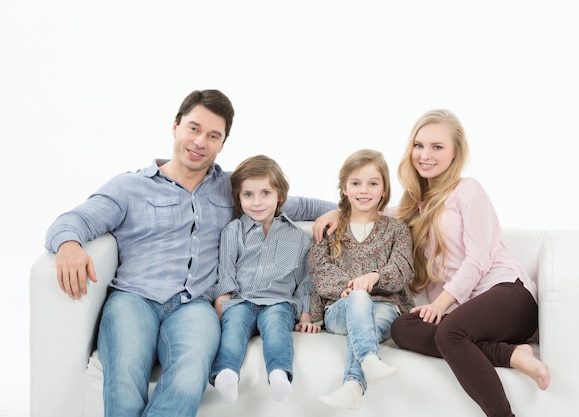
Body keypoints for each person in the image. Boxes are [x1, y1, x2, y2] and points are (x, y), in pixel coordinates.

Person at [44, 89, 336, 417]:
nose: (200, 142)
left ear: (222, 144)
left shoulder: (234, 189)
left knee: (190, 374)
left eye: (213, 136)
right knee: (124, 378)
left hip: (195, 305)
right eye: (194, 129)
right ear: (175, 126)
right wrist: (69, 244)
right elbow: (73, 220)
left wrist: (343, 212)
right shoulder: (131, 187)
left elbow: (296, 204)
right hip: (133, 298)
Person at [355, 109, 545, 417]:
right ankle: (509, 355)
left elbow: (479, 258)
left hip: (509, 295)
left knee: (449, 333)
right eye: (419, 145)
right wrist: (335, 212)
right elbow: (370, 211)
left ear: (455, 152)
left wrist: (441, 304)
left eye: (437, 147)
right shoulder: (414, 206)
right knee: (402, 328)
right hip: (467, 315)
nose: (425, 155)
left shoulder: (468, 191)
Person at [308, 149, 415, 411]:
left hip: (384, 309)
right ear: (344, 188)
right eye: (356, 183)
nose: (364, 190)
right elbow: (320, 272)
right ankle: (369, 359)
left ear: (384, 189)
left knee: (371, 317)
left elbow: (403, 268)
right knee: (358, 298)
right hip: (340, 310)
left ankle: (353, 385)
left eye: (373, 183)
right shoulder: (330, 228)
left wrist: (375, 276)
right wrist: (354, 288)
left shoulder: (396, 229)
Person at [210, 155, 321, 404]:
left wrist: (305, 316)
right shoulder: (233, 231)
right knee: (234, 329)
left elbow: (304, 281)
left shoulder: (298, 237)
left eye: (265, 193)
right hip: (241, 300)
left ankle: (279, 373)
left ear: (280, 195)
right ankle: (226, 372)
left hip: (278, 301)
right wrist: (221, 305)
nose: (256, 202)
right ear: (238, 197)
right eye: (248, 194)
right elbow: (225, 272)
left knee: (277, 329)